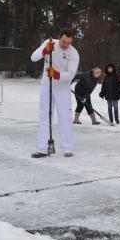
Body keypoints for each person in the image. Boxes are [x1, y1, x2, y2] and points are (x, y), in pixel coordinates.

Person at [30, 28, 80, 158]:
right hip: (47, 86)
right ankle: (42, 149)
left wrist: (57, 75)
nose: (66, 45)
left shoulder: (74, 53)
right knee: (45, 116)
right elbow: (33, 58)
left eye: (69, 42)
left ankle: (68, 148)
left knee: (65, 118)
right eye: (64, 42)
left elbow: (70, 74)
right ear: (59, 38)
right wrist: (45, 50)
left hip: (63, 89)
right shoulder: (50, 43)